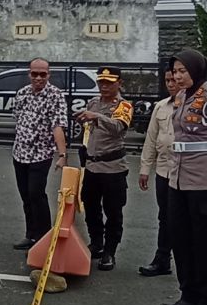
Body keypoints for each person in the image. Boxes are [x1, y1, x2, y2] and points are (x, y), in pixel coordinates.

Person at [164, 50, 207, 305]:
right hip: (177, 178)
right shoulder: (181, 97)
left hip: (202, 180)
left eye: (183, 71)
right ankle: (187, 294)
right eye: (175, 71)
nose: (178, 76)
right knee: (180, 238)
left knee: (202, 242)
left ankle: (204, 301)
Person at [77, 66, 133, 271]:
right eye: (101, 82)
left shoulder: (123, 106)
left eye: (109, 82)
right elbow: (89, 130)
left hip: (113, 168)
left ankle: (110, 251)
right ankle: (97, 243)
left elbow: (119, 128)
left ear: (119, 83)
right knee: (90, 207)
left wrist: (97, 117)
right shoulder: (93, 103)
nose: (104, 86)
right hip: (92, 165)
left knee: (113, 211)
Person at [10, 58, 69, 250]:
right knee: (25, 195)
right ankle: (30, 234)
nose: (38, 78)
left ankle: (43, 239)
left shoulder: (56, 95)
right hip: (20, 153)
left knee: (36, 194)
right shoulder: (21, 94)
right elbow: (18, 119)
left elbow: (58, 125)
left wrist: (62, 154)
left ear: (48, 75)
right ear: (29, 74)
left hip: (40, 154)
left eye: (43, 74)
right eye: (34, 74)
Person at [138, 66, 180, 277]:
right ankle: (162, 258)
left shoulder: (198, 106)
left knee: (186, 219)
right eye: (168, 81)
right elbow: (151, 140)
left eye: (175, 80)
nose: (171, 84)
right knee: (165, 216)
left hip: (189, 173)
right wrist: (145, 168)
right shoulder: (161, 107)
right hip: (164, 171)